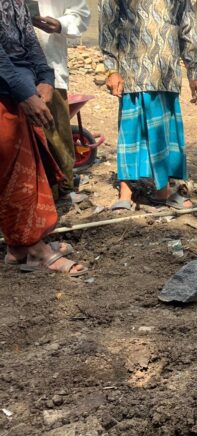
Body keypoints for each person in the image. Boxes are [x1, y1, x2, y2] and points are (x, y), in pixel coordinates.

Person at [1, 0, 87, 276]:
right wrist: (25, 91)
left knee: (26, 172)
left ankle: (20, 248)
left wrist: (46, 78)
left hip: (18, 90)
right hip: (8, 91)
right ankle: (36, 252)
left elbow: (29, 38)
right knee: (14, 176)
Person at [99, 0, 197, 211]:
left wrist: (193, 72)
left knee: (163, 133)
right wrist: (112, 69)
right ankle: (125, 192)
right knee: (130, 133)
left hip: (166, 71)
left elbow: (187, 26)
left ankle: (162, 190)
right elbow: (108, 24)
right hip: (132, 69)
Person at [33, 0, 91, 197]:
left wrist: (60, 24)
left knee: (55, 133)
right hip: (8, 72)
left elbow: (81, 14)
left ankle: (61, 189)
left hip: (50, 67)